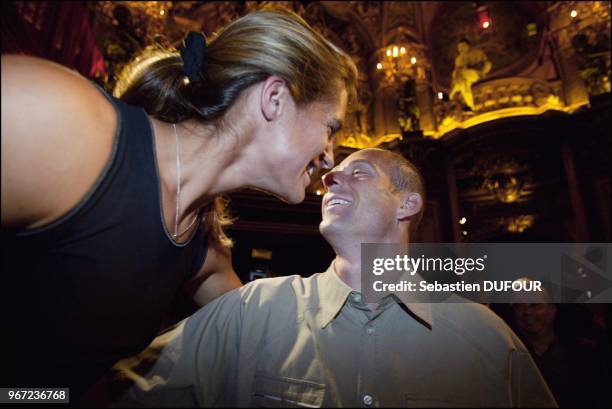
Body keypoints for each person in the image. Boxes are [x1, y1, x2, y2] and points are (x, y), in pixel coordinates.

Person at [0, 8, 357, 400]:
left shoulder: (201, 251)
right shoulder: (70, 125)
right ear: (274, 98)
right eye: (331, 128)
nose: (330, 156)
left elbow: (272, 340)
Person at [109, 148, 557, 407]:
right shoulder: (253, 313)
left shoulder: (488, 340)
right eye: (331, 177)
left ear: (408, 205)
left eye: (357, 173)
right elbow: (109, 390)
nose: (330, 180)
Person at [510, 281, 611, 408]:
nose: (527, 312)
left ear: (552, 310)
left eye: (535, 305)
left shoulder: (584, 352)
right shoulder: (509, 358)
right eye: (519, 306)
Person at [448, 38, 491, 111]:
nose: (461, 49)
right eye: (459, 48)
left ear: (468, 46)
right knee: (463, 83)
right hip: (465, 77)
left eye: (463, 46)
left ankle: (454, 90)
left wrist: (483, 72)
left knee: (459, 74)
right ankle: (471, 106)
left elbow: (488, 63)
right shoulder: (459, 59)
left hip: (476, 74)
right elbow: (458, 70)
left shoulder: (477, 52)